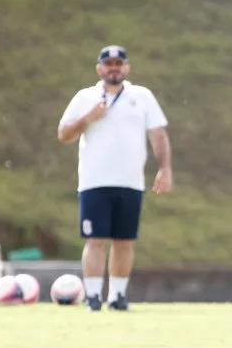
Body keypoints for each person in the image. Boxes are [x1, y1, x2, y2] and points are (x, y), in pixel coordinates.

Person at [57, 45, 173, 311]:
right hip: (94, 180)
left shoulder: (141, 96)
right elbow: (64, 134)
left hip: (130, 181)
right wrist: (89, 117)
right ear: (99, 69)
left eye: (118, 63)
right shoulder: (85, 97)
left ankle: (118, 296)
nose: (113, 68)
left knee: (124, 241)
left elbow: (158, 135)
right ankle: (94, 296)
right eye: (108, 64)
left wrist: (164, 168)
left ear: (126, 68)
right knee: (95, 240)